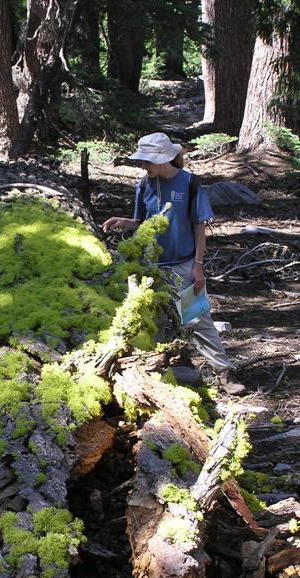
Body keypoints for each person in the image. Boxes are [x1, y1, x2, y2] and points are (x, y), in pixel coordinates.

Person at [102, 132, 245, 395]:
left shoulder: (188, 183)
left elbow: (198, 225)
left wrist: (198, 265)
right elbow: (142, 222)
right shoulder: (144, 185)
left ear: (161, 160)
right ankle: (152, 378)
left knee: (197, 319)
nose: (142, 166)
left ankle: (224, 372)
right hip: (151, 268)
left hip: (183, 265)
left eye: (146, 162)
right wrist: (124, 222)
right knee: (152, 323)